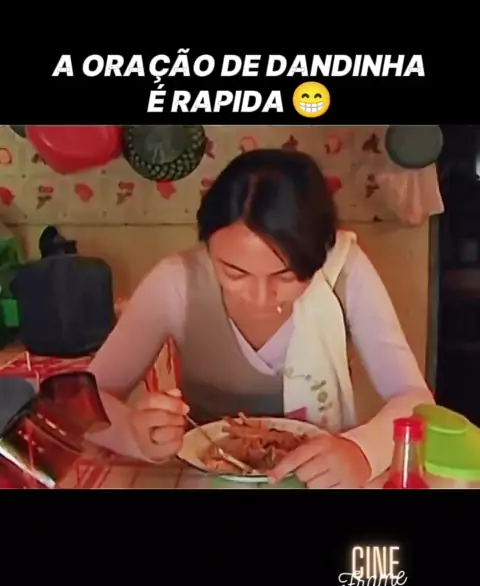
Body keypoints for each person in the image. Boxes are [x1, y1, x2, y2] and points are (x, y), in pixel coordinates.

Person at [88, 149, 433, 488]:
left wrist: (361, 452)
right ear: (208, 247)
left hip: (320, 480)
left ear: (320, 256)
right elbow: (80, 399)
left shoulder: (344, 271)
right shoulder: (178, 282)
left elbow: (415, 399)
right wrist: (133, 434)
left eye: (285, 276)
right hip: (210, 481)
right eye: (234, 273)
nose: (259, 298)